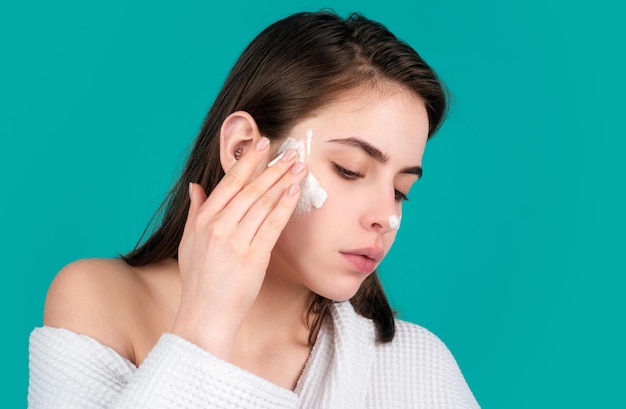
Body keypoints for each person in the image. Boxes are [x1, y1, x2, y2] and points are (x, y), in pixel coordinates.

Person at [28, 10, 480, 409]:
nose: (387, 216)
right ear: (245, 148)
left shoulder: (415, 367)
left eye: (401, 190)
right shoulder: (100, 300)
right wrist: (206, 322)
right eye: (349, 170)